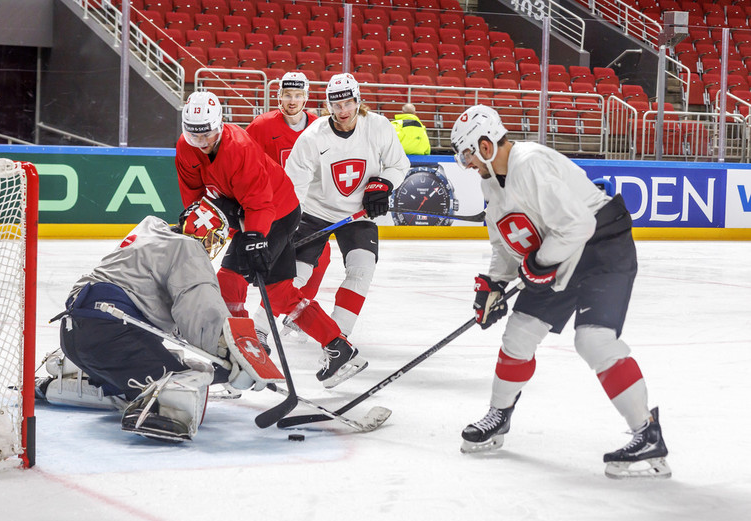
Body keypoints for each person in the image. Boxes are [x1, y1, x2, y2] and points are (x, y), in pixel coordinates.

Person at [450, 105, 670, 479]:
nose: (467, 164)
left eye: (468, 154)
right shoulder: (492, 182)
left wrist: (538, 264)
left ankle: (647, 434)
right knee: (518, 333)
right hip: (560, 251)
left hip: (602, 245)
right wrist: (495, 284)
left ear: (485, 145)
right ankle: (499, 416)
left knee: (594, 341)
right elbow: (505, 243)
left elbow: (579, 224)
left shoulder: (530, 162)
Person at [36, 200, 283, 442]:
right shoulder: (188, 248)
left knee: (145, 373)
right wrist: (231, 354)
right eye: (213, 239)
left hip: (76, 332)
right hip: (112, 336)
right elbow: (199, 310)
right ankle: (157, 413)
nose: (211, 246)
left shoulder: (150, 230)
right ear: (206, 235)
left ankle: (64, 382)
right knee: (187, 381)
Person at [174, 90, 367, 389]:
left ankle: (235, 354)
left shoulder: (238, 147)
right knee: (278, 293)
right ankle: (339, 347)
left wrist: (255, 238)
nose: (201, 143)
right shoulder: (185, 149)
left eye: (208, 134)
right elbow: (193, 194)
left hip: (276, 212)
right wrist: (197, 220)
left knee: (229, 279)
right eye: (194, 136)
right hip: (244, 214)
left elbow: (260, 202)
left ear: (220, 124)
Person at [282, 73, 410, 338]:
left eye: (348, 103)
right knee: (294, 276)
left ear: (358, 100)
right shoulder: (313, 136)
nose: (343, 111)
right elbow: (294, 185)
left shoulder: (378, 126)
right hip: (316, 211)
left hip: (358, 213)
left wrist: (384, 184)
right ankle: (261, 327)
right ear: (328, 105)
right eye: (336, 105)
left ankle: (337, 337)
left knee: (362, 269)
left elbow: (399, 164)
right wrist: (286, 225)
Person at [244, 72, 330, 345]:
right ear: (278, 95)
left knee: (321, 257)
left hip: (309, 208)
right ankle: (262, 321)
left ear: (306, 96)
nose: (292, 101)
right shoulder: (261, 126)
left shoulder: (320, 127)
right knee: (278, 266)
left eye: (297, 95)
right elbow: (244, 162)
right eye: (287, 95)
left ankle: (296, 312)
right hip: (275, 210)